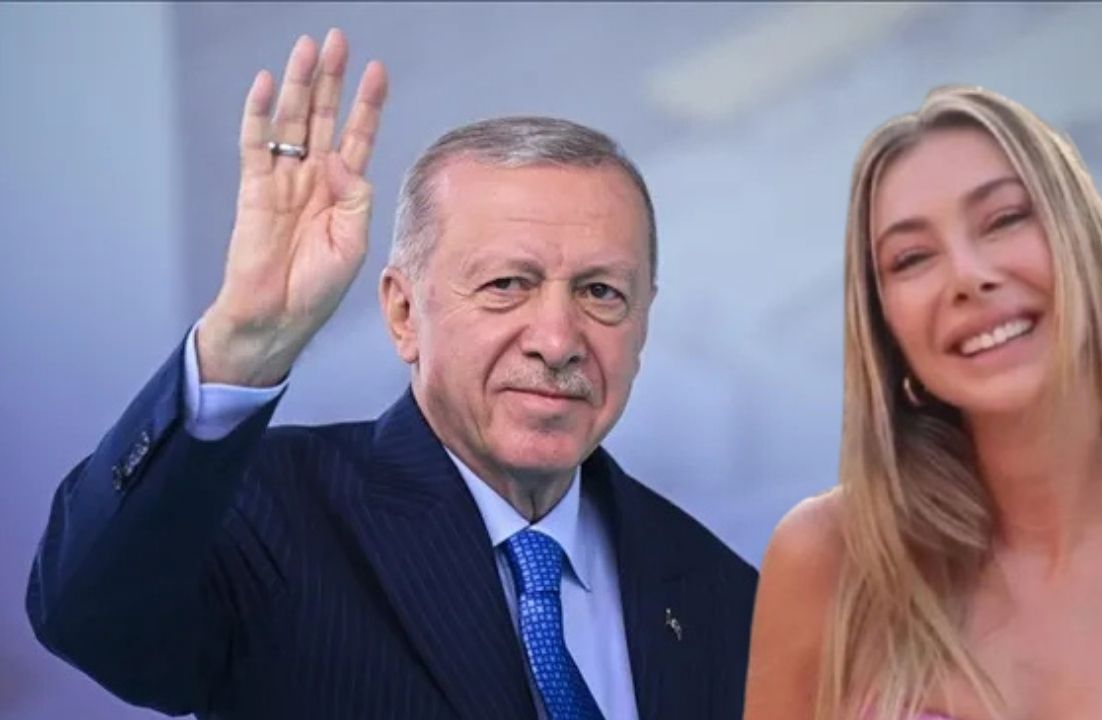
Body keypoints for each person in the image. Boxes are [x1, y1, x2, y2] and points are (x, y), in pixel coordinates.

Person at [27, 29, 756, 720]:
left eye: (601, 292)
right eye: (507, 284)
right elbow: (90, 616)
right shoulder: (270, 515)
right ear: (405, 314)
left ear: (643, 322)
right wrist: (242, 343)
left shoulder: (726, 595)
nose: (558, 340)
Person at [744, 85, 1102, 720]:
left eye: (1003, 220)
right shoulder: (825, 559)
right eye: (911, 258)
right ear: (888, 332)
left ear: (1088, 251)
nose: (968, 276)